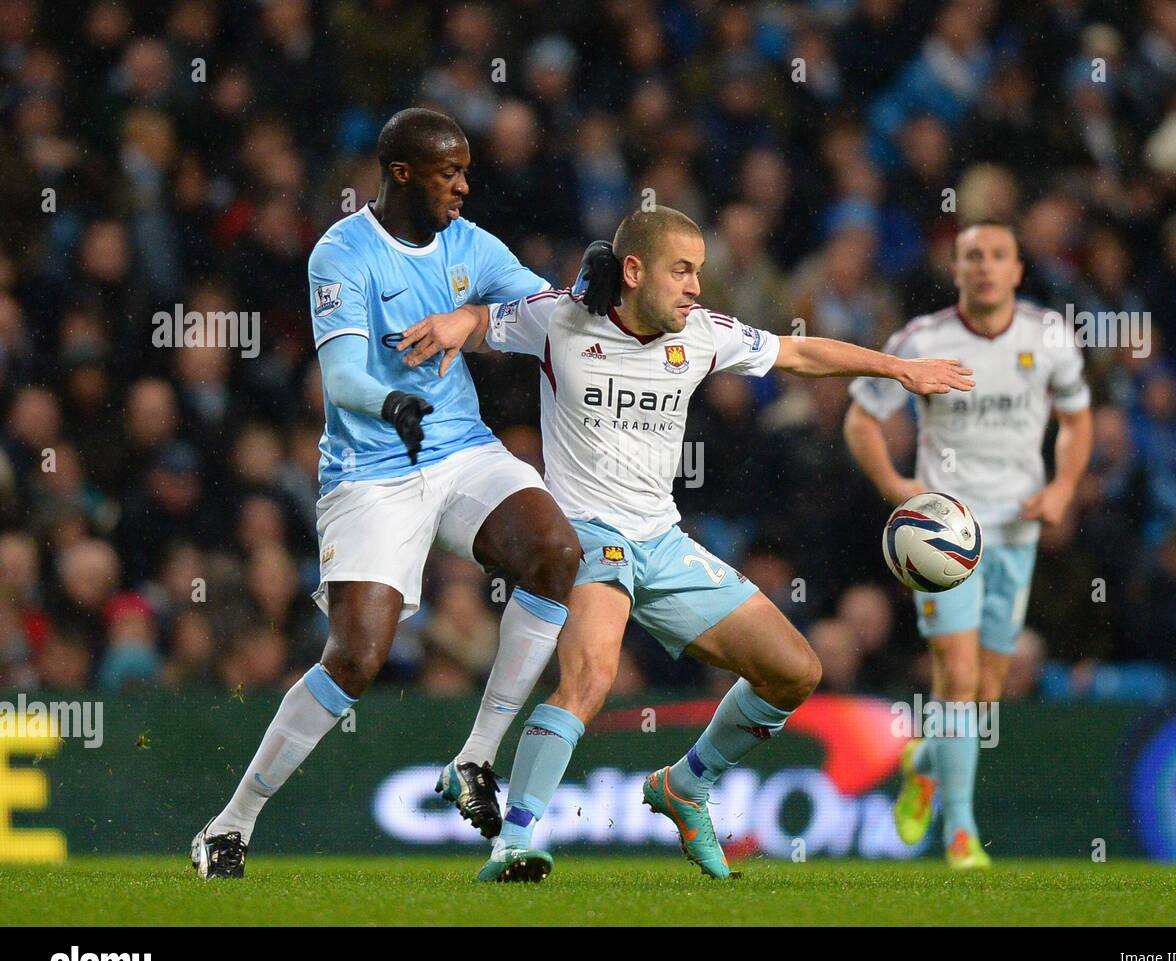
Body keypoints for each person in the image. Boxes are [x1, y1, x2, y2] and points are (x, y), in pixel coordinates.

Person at [424, 205, 973, 881]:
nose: (696, 287)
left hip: (662, 539)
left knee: (795, 671)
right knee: (590, 678)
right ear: (633, 271)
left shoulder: (705, 335)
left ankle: (685, 784)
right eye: (682, 271)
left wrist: (898, 370)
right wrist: (461, 320)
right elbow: (486, 322)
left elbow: (797, 351)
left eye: (700, 272)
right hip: (588, 534)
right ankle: (514, 841)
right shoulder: (561, 320)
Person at [190, 109, 618, 878]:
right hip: (372, 473)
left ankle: (477, 759)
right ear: (400, 174)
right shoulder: (343, 252)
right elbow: (345, 373)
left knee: (557, 552)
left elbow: (548, 311)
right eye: (448, 171)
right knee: (356, 658)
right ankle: (231, 823)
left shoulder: (471, 244)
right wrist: (392, 401)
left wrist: (588, 282)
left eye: (465, 169)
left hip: (460, 453)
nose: (463, 183)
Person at [843, 220, 1093, 868]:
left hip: (1018, 528)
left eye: (998, 256)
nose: (984, 266)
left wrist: (1065, 485)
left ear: (1016, 270)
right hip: (944, 532)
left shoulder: (1049, 336)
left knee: (987, 690)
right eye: (971, 256)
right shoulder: (922, 340)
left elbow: (1076, 419)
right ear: (955, 270)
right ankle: (960, 832)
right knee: (954, 675)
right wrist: (896, 483)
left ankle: (923, 762)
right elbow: (861, 417)